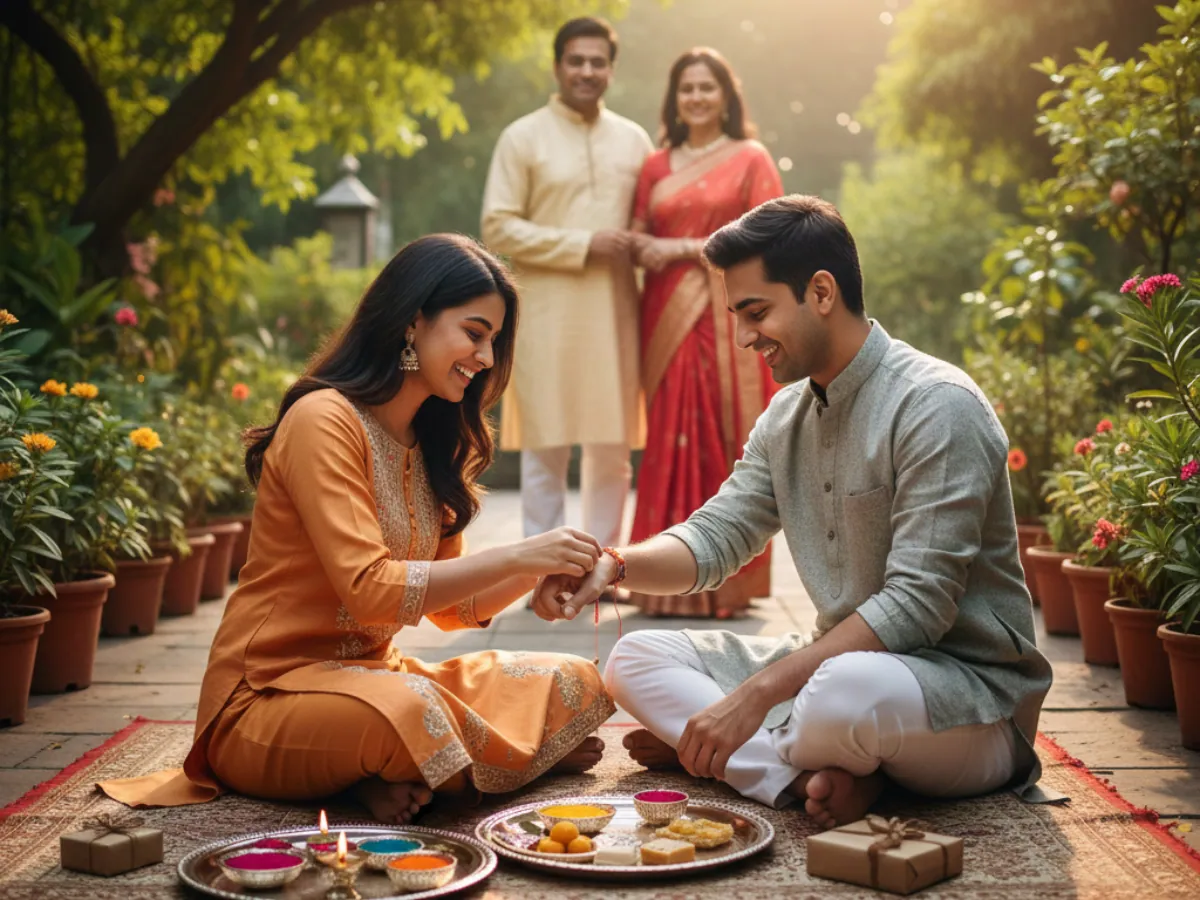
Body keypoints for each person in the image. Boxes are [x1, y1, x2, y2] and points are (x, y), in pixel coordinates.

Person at [532, 196, 1053, 827]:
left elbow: (918, 605)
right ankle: (809, 777)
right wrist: (611, 567)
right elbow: (716, 536)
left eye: (757, 312)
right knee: (635, 658)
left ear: (822, 292)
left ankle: (737, 755)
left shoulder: (936, 406)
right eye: (737, 316)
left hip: (965, 700)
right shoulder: (786, 417)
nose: (746, 336)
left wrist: (753, 697)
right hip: (837, 670)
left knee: (844, 695)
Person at [99, 235, 615, 822]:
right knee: (414, 711)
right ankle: (412, 767)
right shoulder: (324, 420)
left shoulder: (430, 443)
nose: (488, 358)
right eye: (474, 333)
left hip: (375, 681)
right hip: (269, 696)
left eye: (493, 340)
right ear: (413, 322)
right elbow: (371, 591)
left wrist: (540, 570)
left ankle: (393, 773)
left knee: (572, 680)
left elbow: (454, 605)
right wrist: (522, 556)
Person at [481, 17, 653, 551]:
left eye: (597, 62)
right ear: (557, 66)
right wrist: (583, 244)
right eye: (576, 61)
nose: (586, 71)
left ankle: (601, 567)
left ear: (611, 69)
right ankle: (544, 568)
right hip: (546, 316)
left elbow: (649, 225)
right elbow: (497, 225)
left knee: (611, 448)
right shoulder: (523, 136)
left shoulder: (634, 139)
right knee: (545, 447)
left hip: (616, 313)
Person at [627, 48, 782, 617]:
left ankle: (727, 584)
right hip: (665, 313)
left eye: (707, 87)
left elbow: (771, 234)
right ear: (675, 99)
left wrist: (682, 249)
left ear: (726, 95)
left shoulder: (750, 157)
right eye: (686, 88)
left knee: (726, 432)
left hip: (727, 312)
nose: (696, 97)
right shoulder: (655, 164)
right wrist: (654, 248)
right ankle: (654, 578)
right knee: (670, 428)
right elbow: (639, 237)